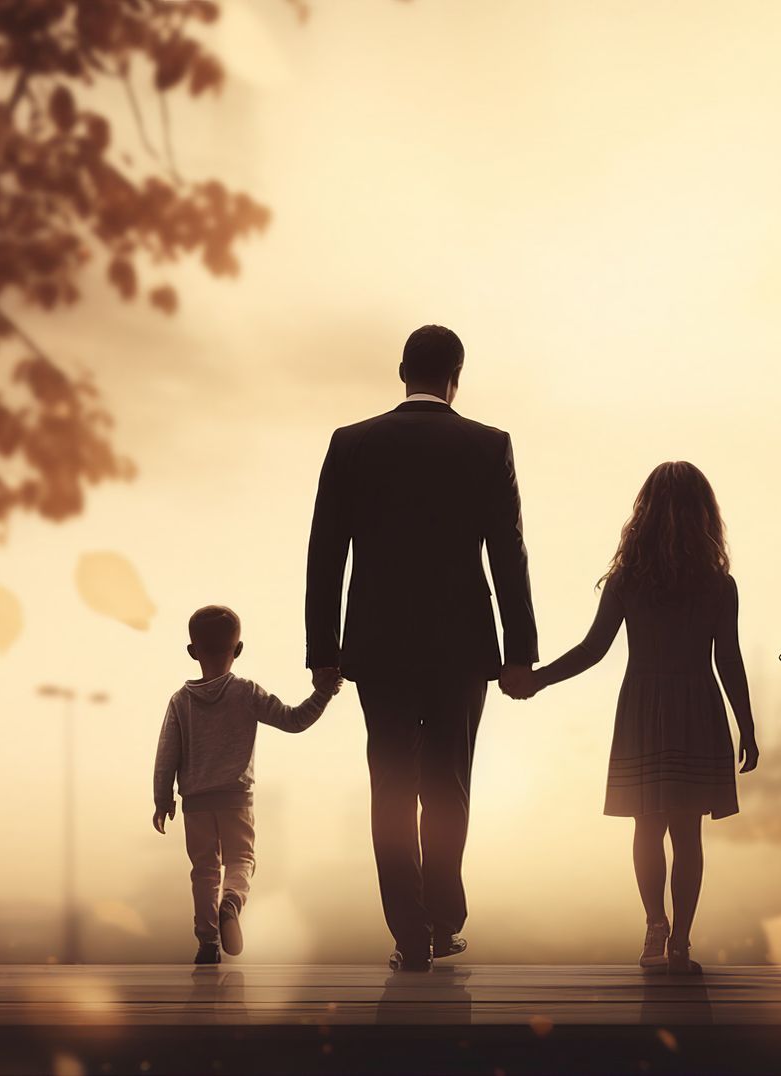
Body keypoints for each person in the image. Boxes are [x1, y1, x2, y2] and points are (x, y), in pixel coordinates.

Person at [305, 324, 538, 972]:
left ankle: (408, 934)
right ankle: (441, 919)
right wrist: (519, 651)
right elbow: (507, 553)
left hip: (376, 645)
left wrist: (324, 649)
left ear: (401, 369)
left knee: (390, 785)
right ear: (455, 376)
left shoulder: (351, 444)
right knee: (448, 784)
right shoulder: (488, 445)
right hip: (462, 644)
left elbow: (326, 554)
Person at [520, 461, 759, 974]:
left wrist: (537, 680)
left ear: (643, 515)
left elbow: (592, 650)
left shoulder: (628, 580)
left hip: (643, 708)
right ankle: (683, 942)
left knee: (647, 827)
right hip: (698, 707)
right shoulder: (719, 584)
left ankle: (656, 925)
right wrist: (747, 726)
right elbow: (728, 660)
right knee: (687, 832)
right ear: (705, 515)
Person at [154, 605, 342, 965]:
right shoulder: (246, 692)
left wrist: (163, 799)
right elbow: (294, 720)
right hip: (236, 797)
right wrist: (324, 693)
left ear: (193, 652)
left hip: (195, 801)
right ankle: (233, 901)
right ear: (237, 649)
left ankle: (207, 943)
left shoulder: (180, 701)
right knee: (241, 859)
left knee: (204, 869)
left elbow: (167, 754)